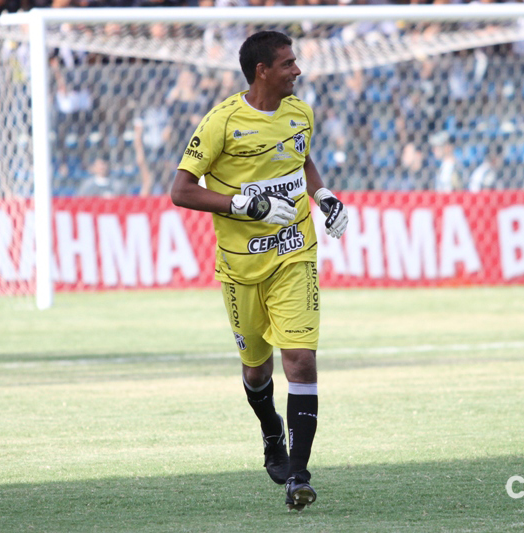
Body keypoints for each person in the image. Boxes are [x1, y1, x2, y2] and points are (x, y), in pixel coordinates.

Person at [170, 30, 348, 511]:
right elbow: (181, 191)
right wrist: (241, 205)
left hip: (295, 251)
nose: (297, 70)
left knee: (302, 360)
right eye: (288, 63)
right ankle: (272, 429)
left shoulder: (300, 113)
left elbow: (301, 159)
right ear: (261, 71)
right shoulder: (221, 122)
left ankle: (299, 475)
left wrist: (323, 195)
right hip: (241, 266)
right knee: (256, 371)